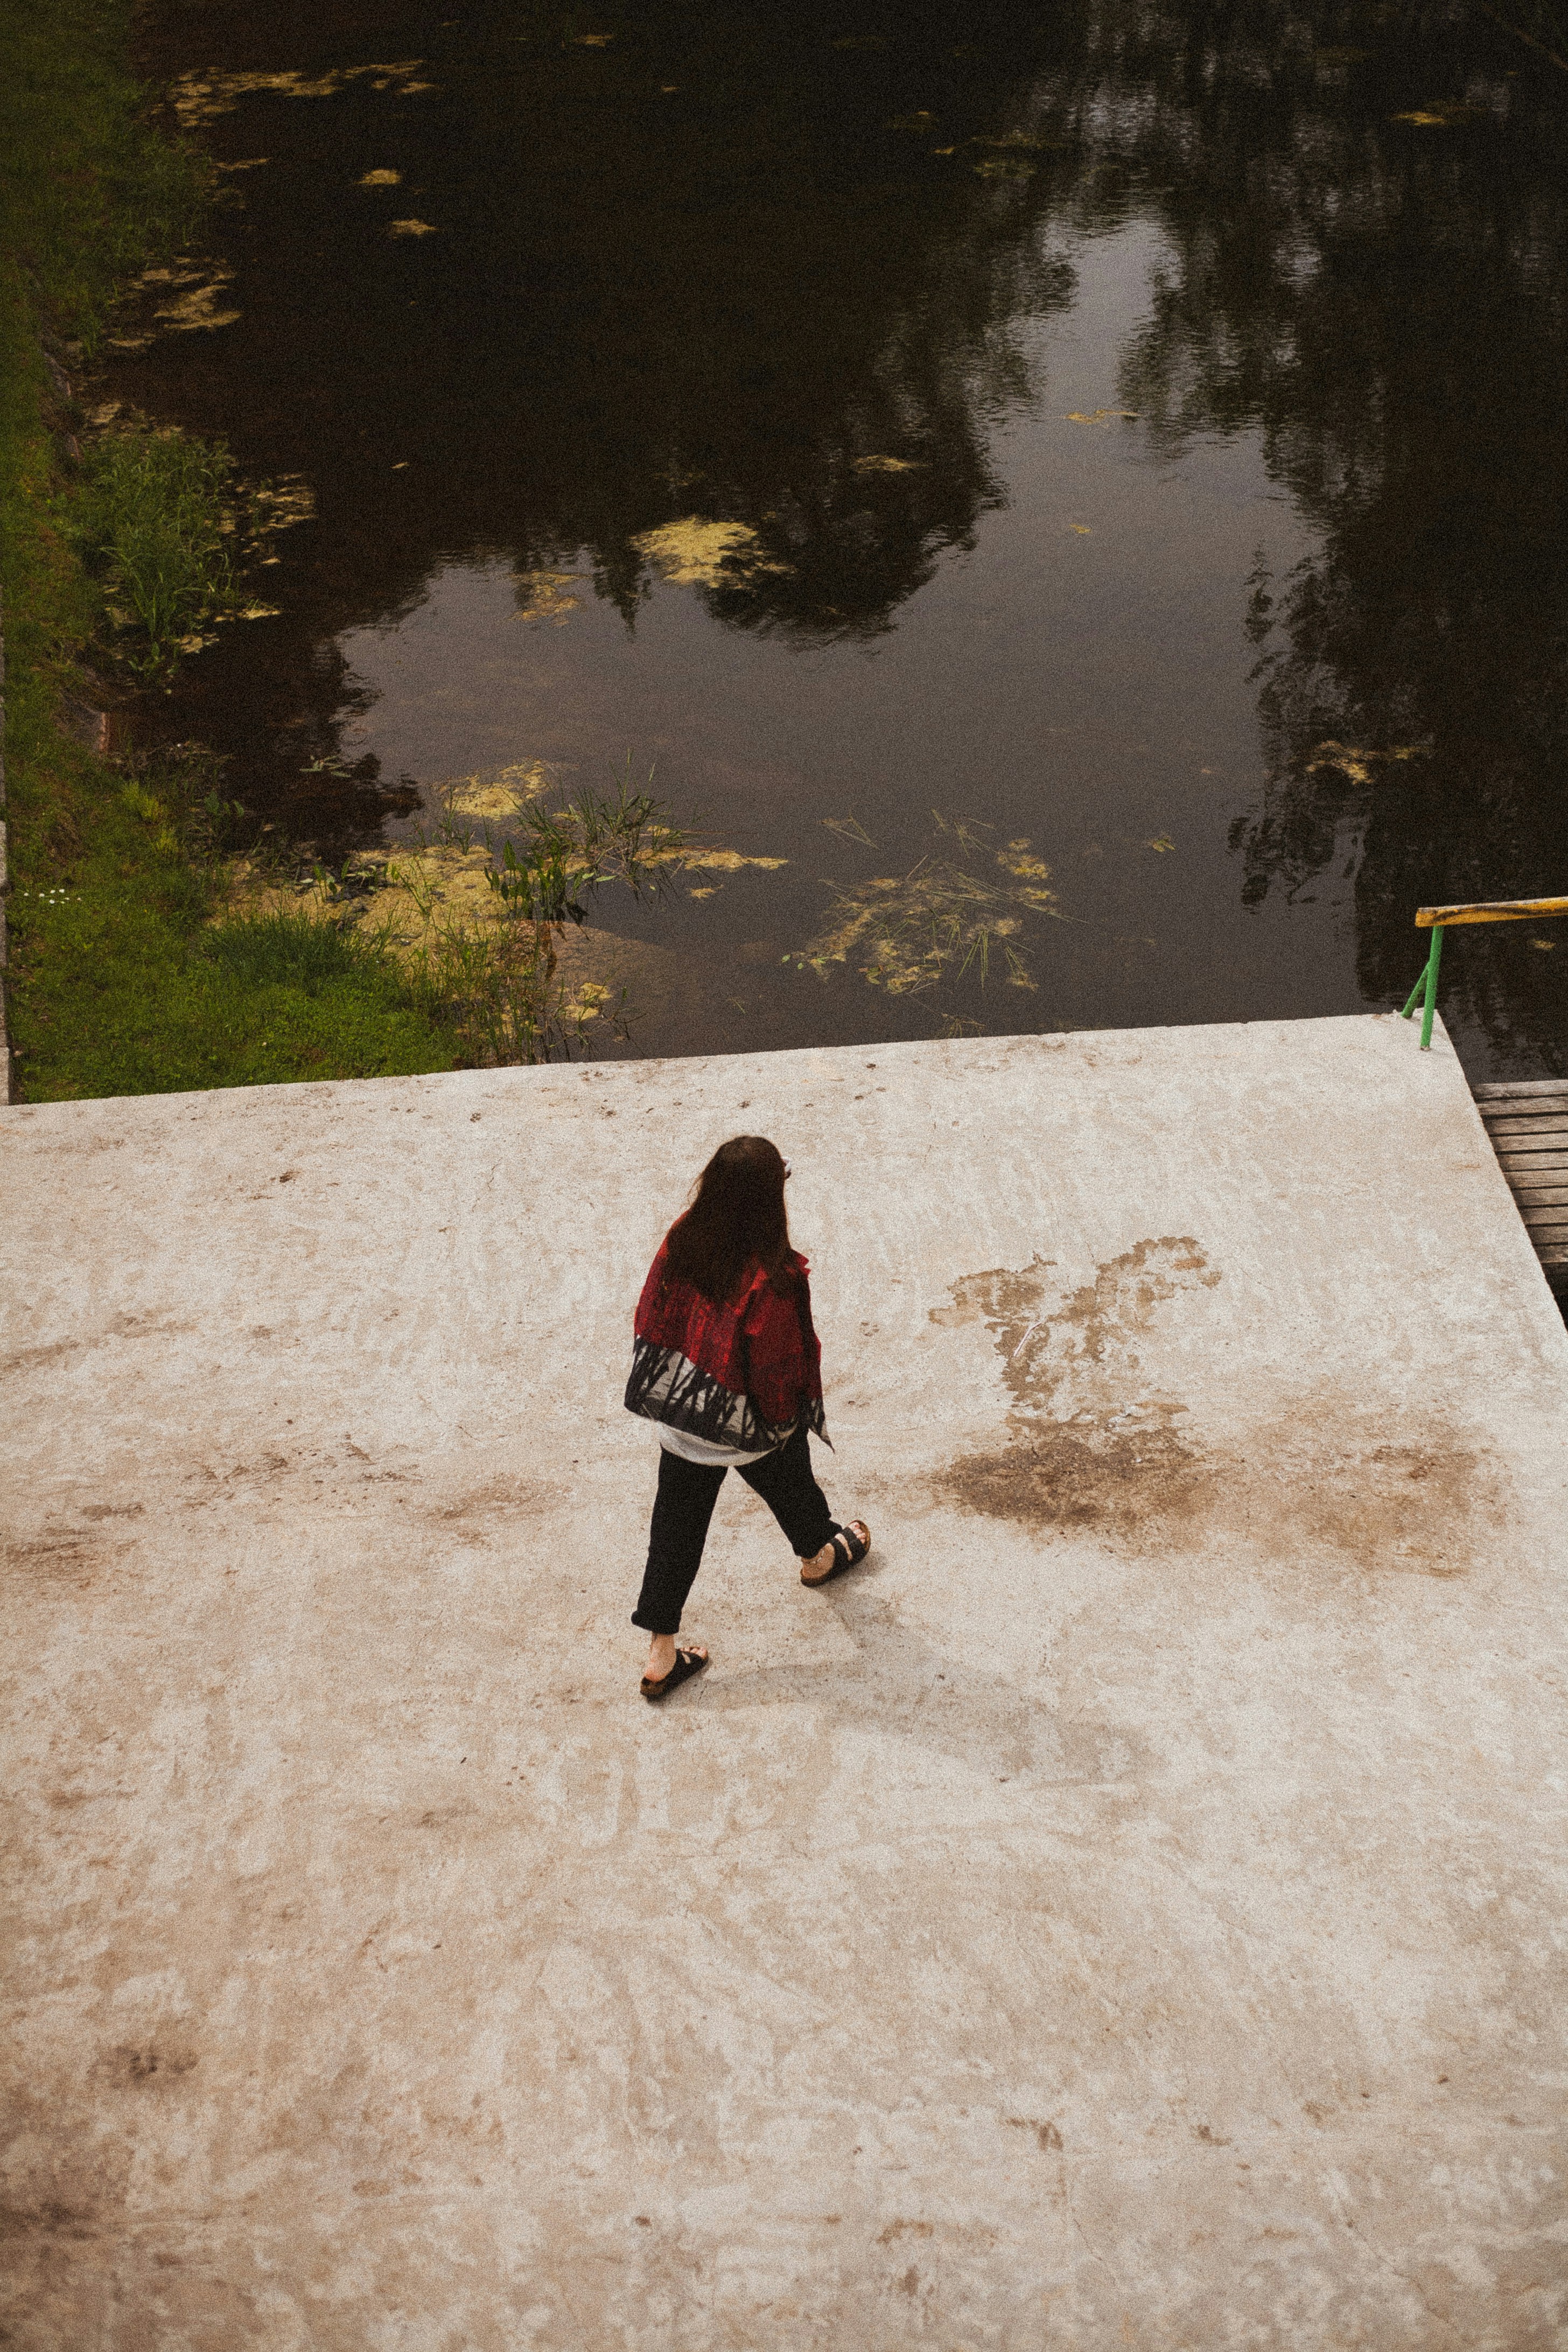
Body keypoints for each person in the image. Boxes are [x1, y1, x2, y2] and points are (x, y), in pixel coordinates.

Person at [625, 1135, 871, 1700]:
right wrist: (785, 1423)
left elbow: (650, 1312)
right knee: (793, 1485)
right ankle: (818, 1555)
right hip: (745, 1428)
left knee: (674, 1534)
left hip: (684, 1417)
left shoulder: (683, 1236)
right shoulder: (772, 1276)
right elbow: (776, 1372)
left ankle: (661, 1652)